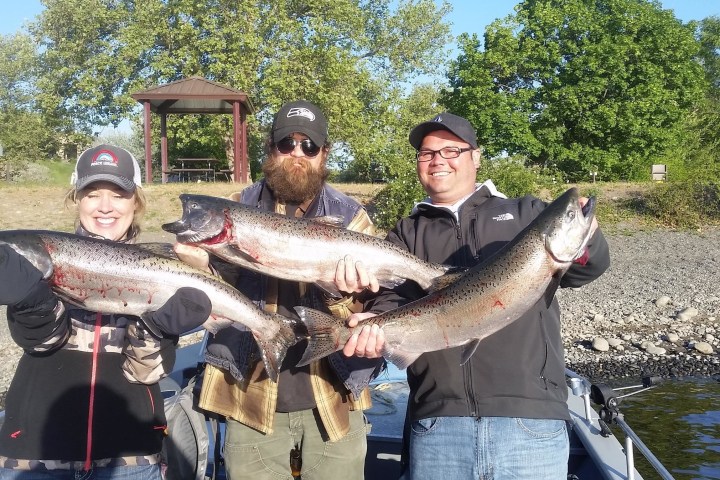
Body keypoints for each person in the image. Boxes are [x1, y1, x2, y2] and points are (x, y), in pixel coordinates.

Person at [344, 112, 611, 479]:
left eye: (451, 150)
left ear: (476, 157)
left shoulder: (525, 213)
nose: (438, 160)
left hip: (530, 421)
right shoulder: (405, 234)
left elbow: (587, 267)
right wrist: (371, 325)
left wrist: (587, 237)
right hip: (438, 423)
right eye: (427, 153)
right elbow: (391, 300)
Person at [176, 100, 383, 480]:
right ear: (270, 148)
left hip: (334, 400)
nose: (297, 154)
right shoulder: (234, 208)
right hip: (249, 402)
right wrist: (202, 269)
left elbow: (375, 313)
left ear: (325, 153)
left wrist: (343, 296)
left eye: (309, 146)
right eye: (287, 143)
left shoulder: (353, 219)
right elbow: (212, 304)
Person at [0, 144, 212, 480]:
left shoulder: (165, 270)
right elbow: (41, 343)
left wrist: (156, 328)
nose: (104, 207)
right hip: (34, 457)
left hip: (131, 459)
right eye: (92, 194)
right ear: (77, 200)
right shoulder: (41, 257)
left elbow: (145, 373)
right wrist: (32, 302)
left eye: (118, 194)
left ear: (136, 202)